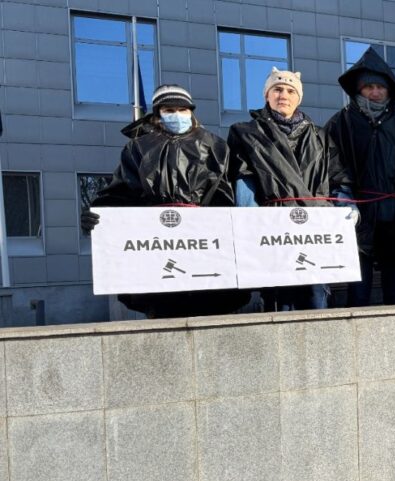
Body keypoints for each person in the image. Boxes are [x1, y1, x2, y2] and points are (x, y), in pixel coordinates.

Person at [80, 84, 250, 319]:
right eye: (169, 110)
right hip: (157, 242)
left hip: (205, 241)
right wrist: (99, 215)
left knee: (210, 305)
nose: (177, 115)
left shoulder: (215, 145)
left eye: (182, 109)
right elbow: (122, 191)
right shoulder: (139, 147)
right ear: (158, 113)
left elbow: (231, 193)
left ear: (191, 112)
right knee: (164, 309)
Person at [227, 67, 334, 311]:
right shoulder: (246, 132)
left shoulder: (320, 136)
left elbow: (336, 176)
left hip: (315, 226)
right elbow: (243, 176)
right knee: (280, 298)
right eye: (277, 89)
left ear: (298, 98)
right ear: (267, 95)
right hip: (273, 224)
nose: (283, 95)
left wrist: (343, 206)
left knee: (316, 295)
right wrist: (249, 217)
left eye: (290, 90)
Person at [325, 47, 395, 306]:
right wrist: (343, 196)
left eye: (380, 87)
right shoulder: (340, 122)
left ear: (389, 90)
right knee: (358, 286)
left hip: (394, 214)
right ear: (359, 89)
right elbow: (330, 163)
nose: (375, 92)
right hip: (358, 213)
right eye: (369, 87)